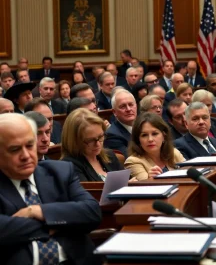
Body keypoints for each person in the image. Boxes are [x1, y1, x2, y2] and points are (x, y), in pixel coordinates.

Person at [0, 113, 101, 264]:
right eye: (15, 149)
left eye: (29, 145)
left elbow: (92, 212)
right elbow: (3, 231)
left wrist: (37, 211)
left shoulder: (60, 172)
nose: (26, 155)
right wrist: (63, 221)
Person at [61, 108, 123, 181]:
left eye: (100, 136)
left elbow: (127, 180)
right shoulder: (69, 167)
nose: (98, 144)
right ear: (74, 141)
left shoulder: (110, 155)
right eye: (90, 140)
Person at [124, 112, 184, 180]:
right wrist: (149, 179)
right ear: (138, 140)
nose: (150, 139)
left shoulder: (174, 153)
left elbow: (188, 174)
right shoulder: (133, 162)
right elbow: (145, 187)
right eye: (144, 135)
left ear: (164, 136)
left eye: (154, 134)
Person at [104, 90, 137, 158]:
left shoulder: (144, 126)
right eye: (123, 106)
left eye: (131, 104)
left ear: (136, 106)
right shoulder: (112, 135)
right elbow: (130, 159)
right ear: (114, 112)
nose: (128, 109)